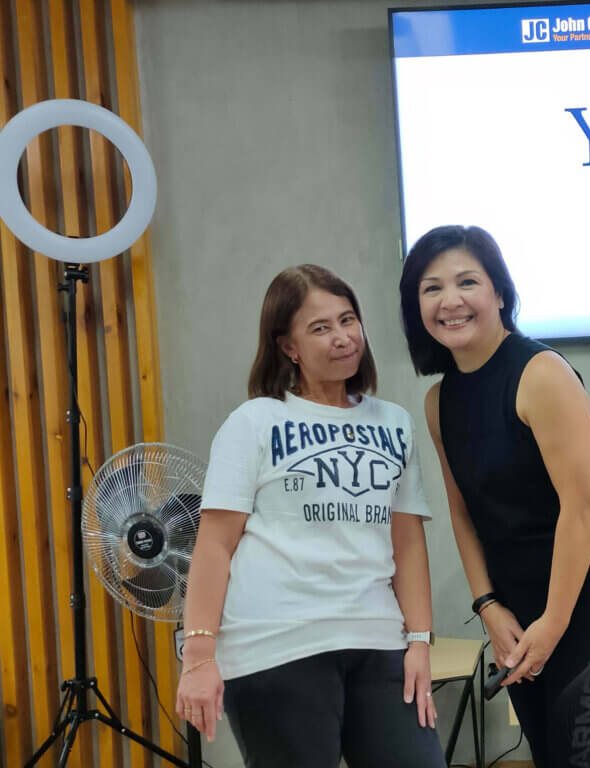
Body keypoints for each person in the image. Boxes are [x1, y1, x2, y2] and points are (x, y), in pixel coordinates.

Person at [176, 265, 445, 768]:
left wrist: (419, 642)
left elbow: (407, 543)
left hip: (378, 640)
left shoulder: (394, 423)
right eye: (320, 328)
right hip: (275, 646)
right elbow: (214, 545)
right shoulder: (254, 421)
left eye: (348, 320)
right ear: (288, 346)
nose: (342, 338)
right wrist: (198, 656)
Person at [399, 225, 590, 768]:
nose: (450, 301)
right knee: (549, 756)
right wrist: (487, 606)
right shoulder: (440, 401)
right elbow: (463, 514)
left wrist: (552, 623)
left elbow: (586, 506)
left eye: (467, 282)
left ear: (499, 293)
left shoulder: (541, 373)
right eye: (431, 288)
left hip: (584, 606)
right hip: (512, 611)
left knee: (576, 759)